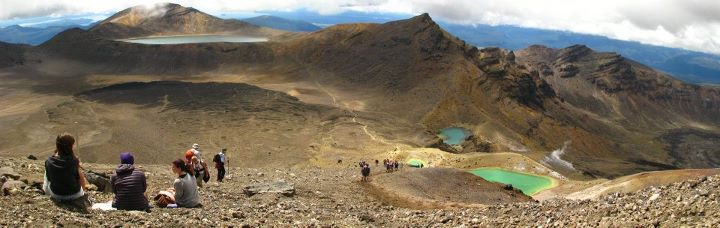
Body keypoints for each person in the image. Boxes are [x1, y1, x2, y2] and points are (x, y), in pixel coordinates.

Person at [43, 133, 91, 212]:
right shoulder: (74, 161)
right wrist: (83, 191)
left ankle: (46, 193)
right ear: (70, 146)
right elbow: (80, 178)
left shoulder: (49, 161)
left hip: (56, 194)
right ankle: (82, 193)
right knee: (79, 173)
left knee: (47, 171)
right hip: (75, 194)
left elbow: (49, 178)